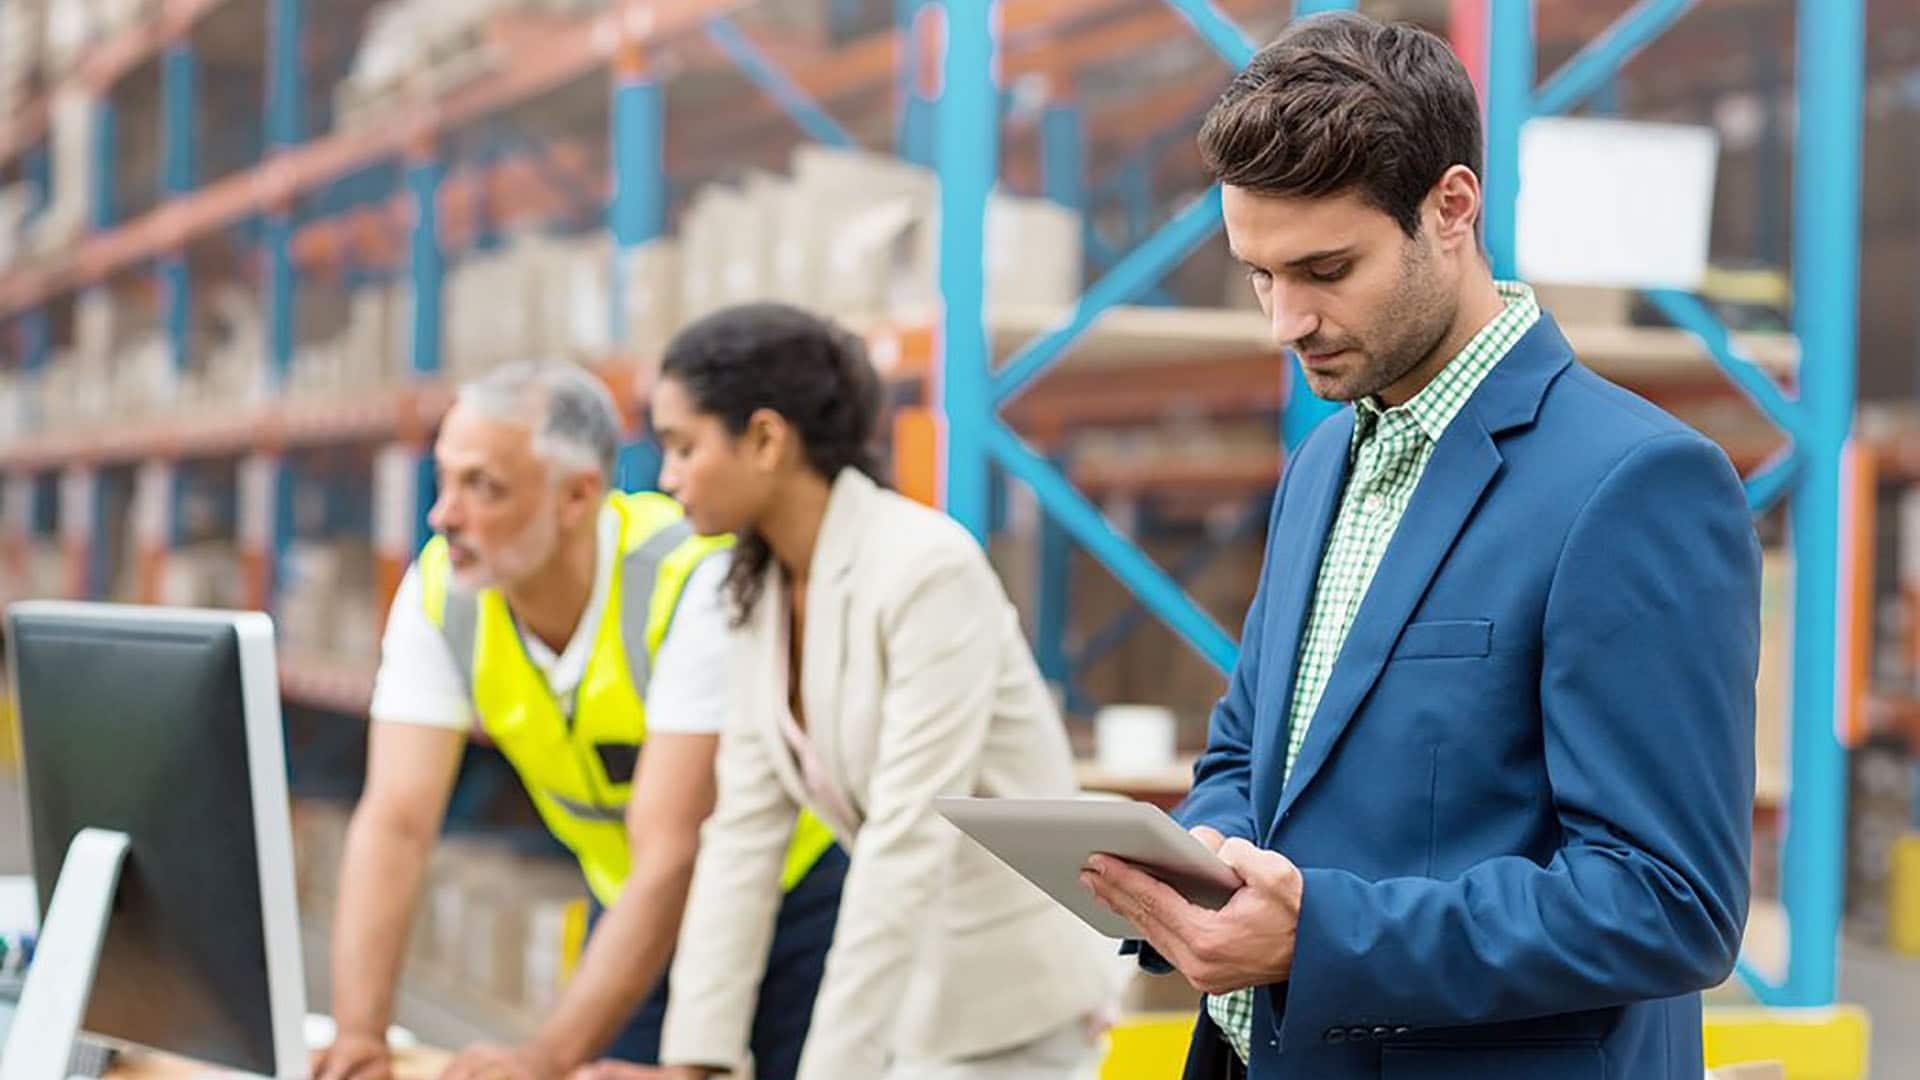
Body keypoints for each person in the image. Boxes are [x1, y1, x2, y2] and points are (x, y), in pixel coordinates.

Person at [1081, 12, 1759, 1080]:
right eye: (1259, 276)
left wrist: (1318, 936)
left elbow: (1666, 902)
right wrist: (1204, 862)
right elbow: (1246, 756)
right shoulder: (1323, 465)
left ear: (1451, 208)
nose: (1285, 323)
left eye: (1325, 268)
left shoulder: (1635, 485)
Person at [310, 362, 845, 1080]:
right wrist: (359, 1037)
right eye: (444, 480)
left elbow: (672, 851)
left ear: (577, 497)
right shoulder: (444, 593)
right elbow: (396, 821)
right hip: (632, 902)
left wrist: (543, 1059)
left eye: (483, 487)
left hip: (793, 899)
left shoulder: (693, 582)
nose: (444, 516)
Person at [638, 303, 1117, 1080]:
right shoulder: (758, 588)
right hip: (912, 1003)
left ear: (765, 438)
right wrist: (696, 1057)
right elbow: (743, 838)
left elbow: (907, 839)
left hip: (1007, 1007)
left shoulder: (926, 568)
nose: (667, 477)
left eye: (682, 446)